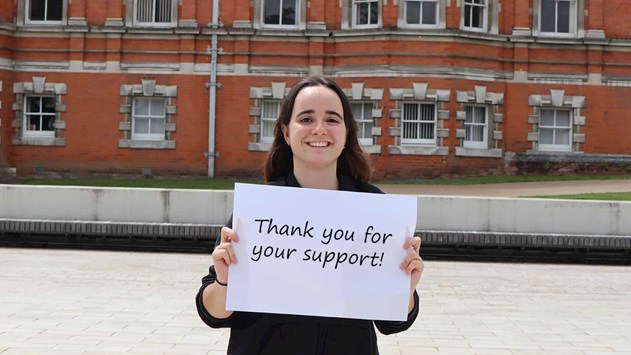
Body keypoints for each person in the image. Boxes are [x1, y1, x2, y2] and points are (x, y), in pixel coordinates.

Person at [195, 75, 424, 354]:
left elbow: (392, 323)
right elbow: (213, 314)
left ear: (347, 132)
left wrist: (405, 288)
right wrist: (224, 280)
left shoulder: (374, 209)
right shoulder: (260, 209)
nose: (319, 129)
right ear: (287, 133)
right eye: (305, 119)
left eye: (331, 119)